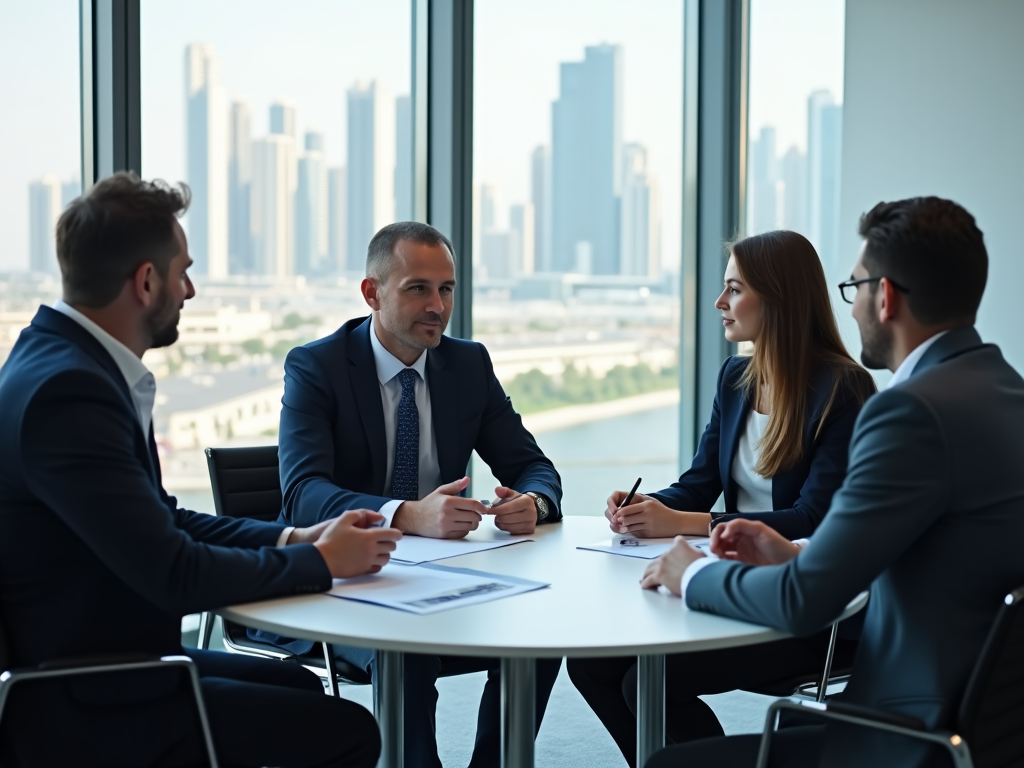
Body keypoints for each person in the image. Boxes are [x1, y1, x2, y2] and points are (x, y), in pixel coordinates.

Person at [0, 173, 399, 768]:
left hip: (103, 659)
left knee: (300, 687)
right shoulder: (71, 393)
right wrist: (321, 562)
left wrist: (296, 537)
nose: (189, 290)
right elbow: (173, 573)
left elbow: (165, 521)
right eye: (183, 271)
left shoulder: (59, 361)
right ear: (145, 280)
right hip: (81, 693)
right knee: (349, 732)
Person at [641, 196, 1024, 768]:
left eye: (855, 288)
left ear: (885, 296)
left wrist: (694, 572)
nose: (850, 307)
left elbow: (803, 603)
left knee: (670, 764)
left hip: (902, 733)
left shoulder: (911, 413)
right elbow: (930, 546)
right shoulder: (1006, 392)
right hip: (988, 726)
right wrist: (796, 549)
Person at [568, 230, 876, 766]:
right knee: (590, 665)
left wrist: (688, 522)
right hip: (735, 581)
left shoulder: (842, 389)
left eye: (734, 289)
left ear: (777, 298)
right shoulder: (736, 376)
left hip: (801, 603)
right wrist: (645, 509)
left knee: (650, 681)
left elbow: (814, 517)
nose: (720, 303)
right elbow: (698, 480)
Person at [270, 221, 563, 768]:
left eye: (446, 289)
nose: (437, 306)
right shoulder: (317, 366)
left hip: (444, 578)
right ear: (372, 293)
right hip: (343, 582)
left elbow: (533, 466)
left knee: (540, 636)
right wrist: (406, 515)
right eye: (418, 288)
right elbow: (303, 494)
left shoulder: (468, 364)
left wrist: (533, 502)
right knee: (407, 647)